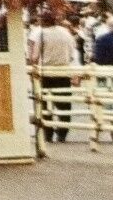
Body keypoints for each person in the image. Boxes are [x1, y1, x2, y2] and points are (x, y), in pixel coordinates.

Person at [28, 8, 78, 142]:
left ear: (43, 21)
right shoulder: (66, 33)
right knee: (64, 104)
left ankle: (48, 133)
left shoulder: (41, 34)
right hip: (63, 72)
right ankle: (62, 133)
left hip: (46, 73)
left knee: (44, 104)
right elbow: (72, 55)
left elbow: (35, 57)